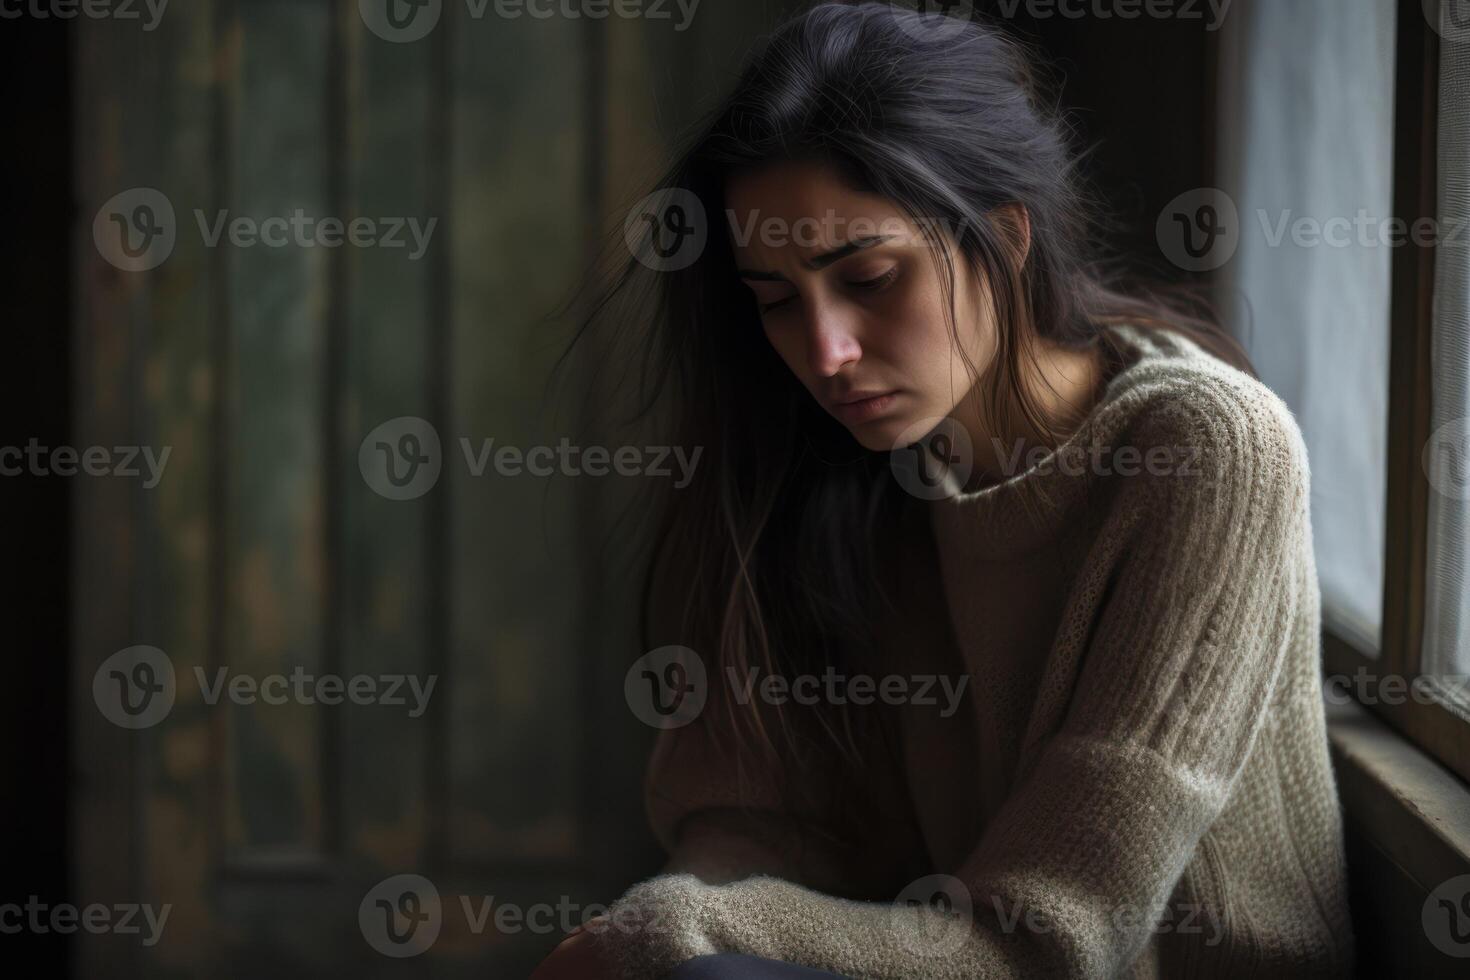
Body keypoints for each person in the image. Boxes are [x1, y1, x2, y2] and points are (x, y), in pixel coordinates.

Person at [532, 2, 1356, 976]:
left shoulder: (1208, 452)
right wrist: (677, 916)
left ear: (1006, 239)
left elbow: (1045, 940)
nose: (825, 352)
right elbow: (770, 821)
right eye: (777, 300)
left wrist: (679, 933)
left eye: (871, 277)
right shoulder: (858, 462)